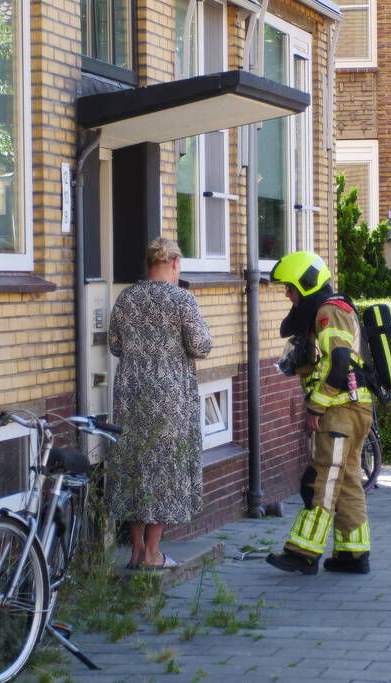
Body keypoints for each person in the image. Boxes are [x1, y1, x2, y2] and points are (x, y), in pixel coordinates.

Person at [265, 251, 375, 575]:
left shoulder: (329, 312)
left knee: (321, 481)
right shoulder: (328, 311)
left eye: (290, 288)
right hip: (351, 408)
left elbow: (339, 361)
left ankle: (302, 554)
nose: (287, 294)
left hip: (339, 410)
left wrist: (316, 404)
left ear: (306, 283)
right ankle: (352, 555)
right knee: (348, 481)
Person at [107, 237, 212, 569]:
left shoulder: (126, 297)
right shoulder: (182, 299)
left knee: (135, 466)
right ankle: (153, 553)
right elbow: (200, 346)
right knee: (164, 469)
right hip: (169, 396)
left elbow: (114, 345)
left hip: (131, 394)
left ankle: (136, 549)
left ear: (149, 264)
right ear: (176, 263)